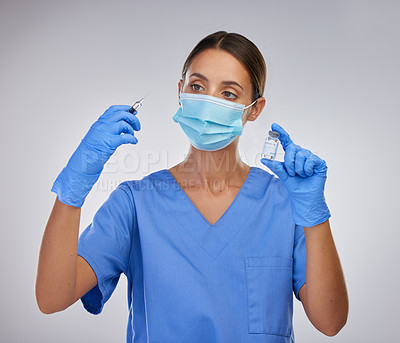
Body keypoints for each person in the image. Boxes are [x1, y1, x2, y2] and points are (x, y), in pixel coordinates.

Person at [36, 31, 348, 342]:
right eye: (197, 86)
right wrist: (73, 188)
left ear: (254, 108)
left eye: (228, 93)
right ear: (180, 92)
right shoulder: (135, 203)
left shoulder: (284, 202)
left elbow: (330, 322)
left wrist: (314, 215)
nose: (208, 102)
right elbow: (51, 298)